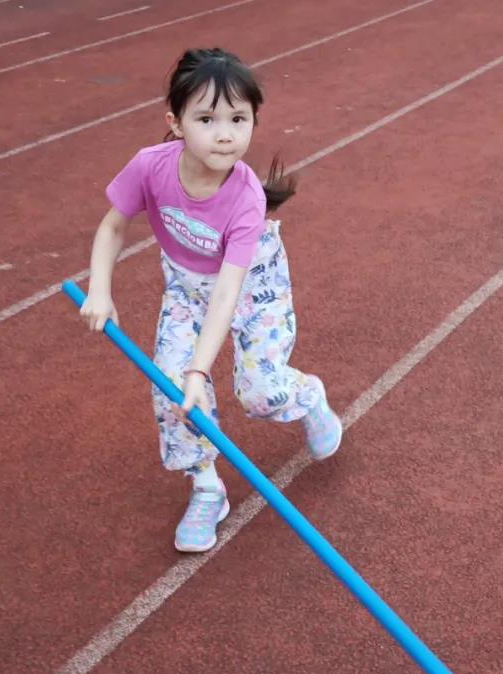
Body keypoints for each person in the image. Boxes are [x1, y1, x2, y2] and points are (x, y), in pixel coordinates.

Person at [80, 48, 341, 552]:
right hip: (185, 288)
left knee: (260, 395)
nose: (225, 133)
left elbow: (227, 293)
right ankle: (206, 488)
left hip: (250, 287)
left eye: (238, 119)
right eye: (207, 118)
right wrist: (99, 289)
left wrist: (202, 371)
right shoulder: (150, 167)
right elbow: (113, 227)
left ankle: (307, 396)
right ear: (175, 124)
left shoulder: (246, 199)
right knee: (173, 391)